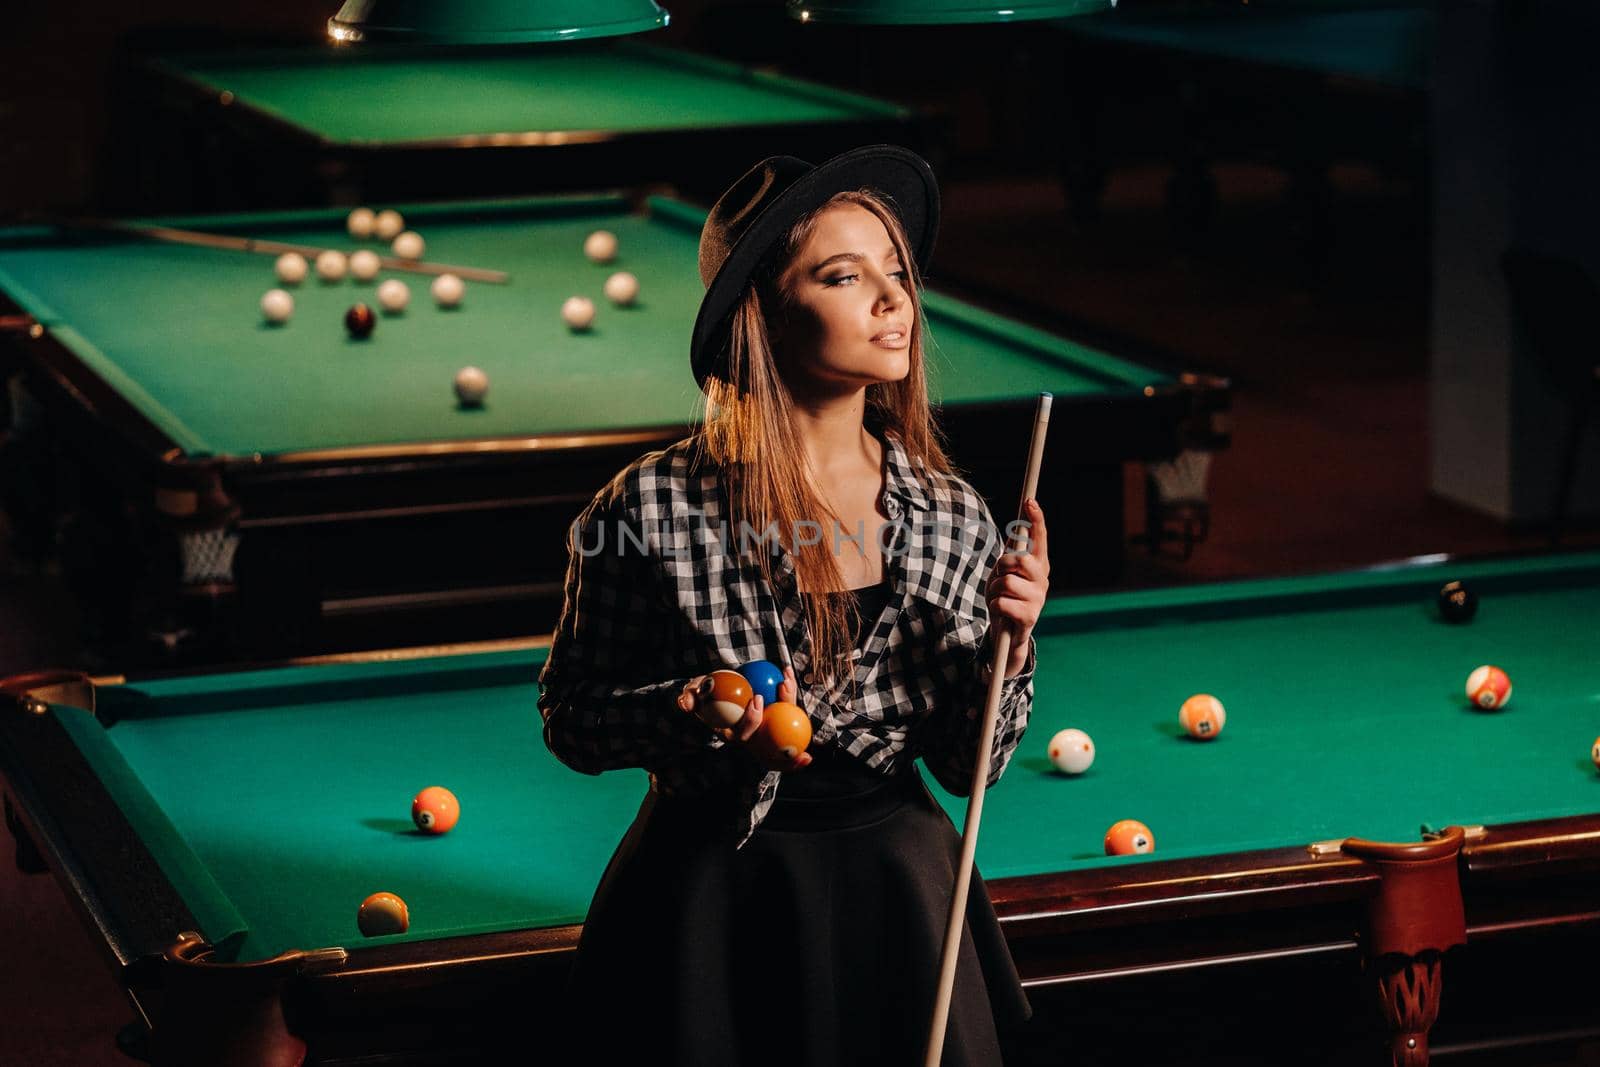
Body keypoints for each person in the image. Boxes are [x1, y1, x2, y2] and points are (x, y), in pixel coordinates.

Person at [538, 144, 1050, 1066]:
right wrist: (683, 707)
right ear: (761, 314)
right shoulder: (647, 509)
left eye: (896, 272)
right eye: (845, 275)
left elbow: (972, 766)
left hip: (905, 886)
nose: (894, 300)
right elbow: (572, 721)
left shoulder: (950, 513)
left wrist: (1009, 646)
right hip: (713, 898)